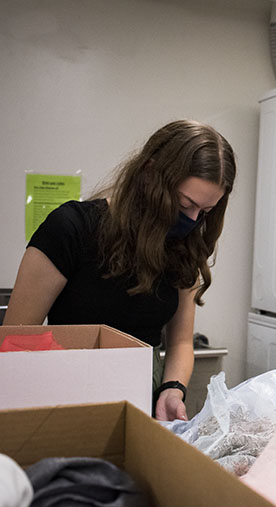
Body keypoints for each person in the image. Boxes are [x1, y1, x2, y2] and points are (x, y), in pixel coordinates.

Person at [3, 120, 236, 422]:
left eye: (203, 212)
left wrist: (172, 389)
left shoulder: (184, 248)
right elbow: (15, 342)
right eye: (183, 204)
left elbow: (180, 341)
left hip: (141, 408)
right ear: (150, 174)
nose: (191, 220)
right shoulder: (70, 229)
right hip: (64, 402)